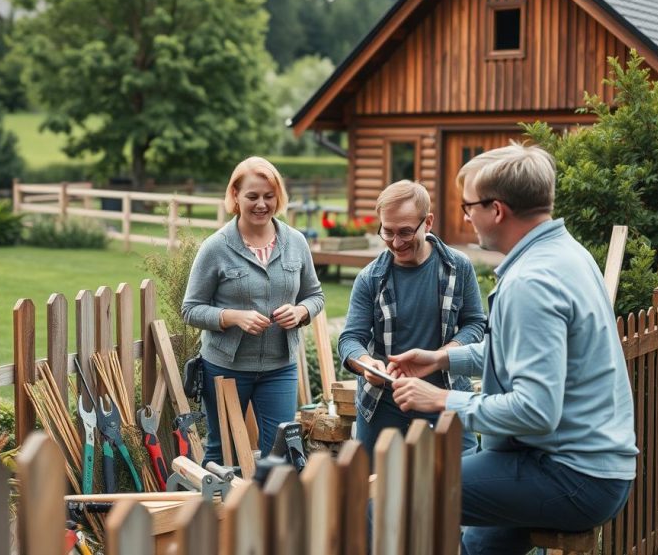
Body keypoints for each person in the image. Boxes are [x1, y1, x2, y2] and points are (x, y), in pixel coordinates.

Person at [387, 143, 637, 555]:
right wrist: (443, 357)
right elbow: (519, 351)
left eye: (469, 206)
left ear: (496, 210)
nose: (466, 217)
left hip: (571, 475)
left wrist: (442, 399)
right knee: (479, 546)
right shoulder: (566, 255)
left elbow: (536, 412)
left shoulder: (531, 283)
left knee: (403, 493)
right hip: (585, 467)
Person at [182, 156, 325, 465]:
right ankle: (217, 512)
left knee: (283, 452)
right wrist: (233, 317)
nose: (261, 204)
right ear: (235, 196)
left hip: (280, 368)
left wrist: (301, 312)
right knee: (222, 452)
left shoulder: (296, 242)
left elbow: (315, 296)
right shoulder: (216, 247)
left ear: (278, 197)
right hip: (225, 369)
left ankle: (269, 513)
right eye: (253, 196)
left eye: (269, 196)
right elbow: (191, 309)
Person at [337, 180, 485, 457]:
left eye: (405, 232)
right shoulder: (370, 277)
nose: (396, 242)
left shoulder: (458, 267)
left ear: (427, 222)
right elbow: (351, 339)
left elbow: (475, 323)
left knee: (458, 486)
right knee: (377, 492)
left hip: (445, 397)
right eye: (387, 232)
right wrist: (367, 365)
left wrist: (441, 356)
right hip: (383, 403)